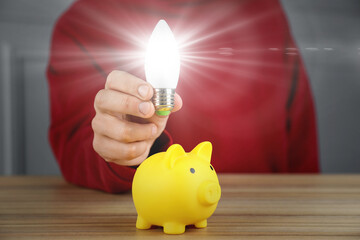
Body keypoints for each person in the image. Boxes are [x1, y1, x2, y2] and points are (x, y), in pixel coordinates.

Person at [47, 0, 319, 193]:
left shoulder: (262, 11)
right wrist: (121, 148)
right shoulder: (81, 24)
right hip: (154, 211)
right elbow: (76, 146)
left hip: (265, 215)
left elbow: (301, 136)